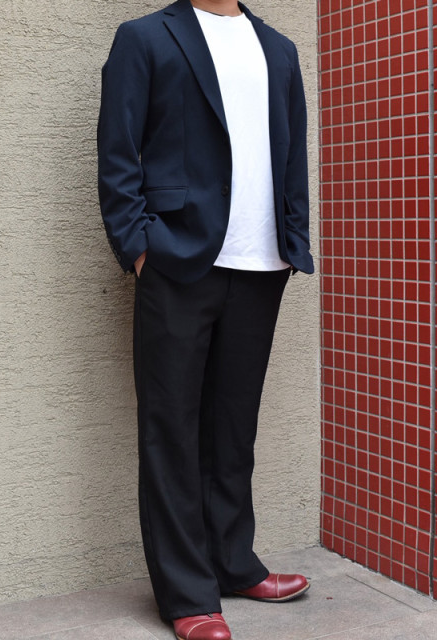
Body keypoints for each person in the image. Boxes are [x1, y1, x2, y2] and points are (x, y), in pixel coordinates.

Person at [98, 0, 314, 638]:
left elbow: (292, 151)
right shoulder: (143, 39)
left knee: (233, 429)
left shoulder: (279, 49)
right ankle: (187, 594)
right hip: (177, 262)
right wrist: (140, 248)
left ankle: (233, 562)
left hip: (261, 263)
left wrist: (293, 240)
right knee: (171, 429)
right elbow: (118, 152)